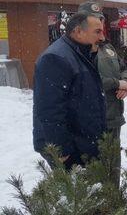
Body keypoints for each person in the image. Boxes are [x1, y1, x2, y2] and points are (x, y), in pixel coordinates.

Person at [33, 11, 106, 170]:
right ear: (78, 31)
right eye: (97, 32)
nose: (102, 38)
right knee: (78, 193)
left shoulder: (81, 53)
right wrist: (61, 149)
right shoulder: (56, 58)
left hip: (83, 144)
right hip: (70, 150)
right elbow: (49, 109)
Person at [79, 2, 127, 185]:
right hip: (94, 120)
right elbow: (89, 82)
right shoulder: (79, 52)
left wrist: (126, 83)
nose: (99, 26)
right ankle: (99, 210)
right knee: (95, 170)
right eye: (95, 21)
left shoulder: (107, 47)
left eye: (100, 20)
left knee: (113, 166)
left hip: (114, 117)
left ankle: (113, 203)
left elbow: (124, 67)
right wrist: (118, 83)